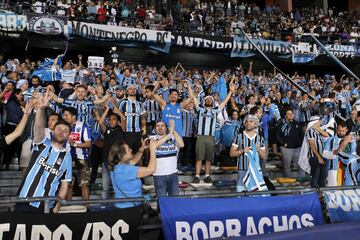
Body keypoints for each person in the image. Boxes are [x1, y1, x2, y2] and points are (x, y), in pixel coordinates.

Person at [17, 91, 72, 213]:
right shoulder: (42, 144)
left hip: (47, 207)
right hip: (25, 201)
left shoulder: (67, 157)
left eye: (65, 130)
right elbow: (39, 128)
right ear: (53, 131)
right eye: (59, 129)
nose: (62, 131)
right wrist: (41, 109)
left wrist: (57, 207)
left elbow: (64, 185)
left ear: (69, 135)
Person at [192, 80, 236, 183]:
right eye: (206, 100)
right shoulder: (200, 109)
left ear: (212, 102)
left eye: (210, 100)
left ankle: (207, 175)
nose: (208, 101)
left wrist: (230, 92)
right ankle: (197, 176)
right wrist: (189, 87)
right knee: (199, 158)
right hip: (201, 136)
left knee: (208, 158)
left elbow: (224, 101)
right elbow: (193, 98)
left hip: (211, 137)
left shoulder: (216, 110)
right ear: (204, 102)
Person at [108, 138, 156, 208]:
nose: (131, 150)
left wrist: (141, 149)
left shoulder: (117, 167)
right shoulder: (125, 170)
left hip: (122, 206)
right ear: (122, 155)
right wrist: (152, 150)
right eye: (128, 149)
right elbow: (151, 169)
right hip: (131, 208)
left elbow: (133, 161)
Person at [230, 114, 267, 192]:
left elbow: (263, 156)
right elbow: (231, 153)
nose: (248, 123)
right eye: (246, 122)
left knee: (255, 198)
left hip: (255, 172)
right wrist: (242, 151)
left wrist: (259, 150)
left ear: (255, 124)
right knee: (240, 197)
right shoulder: (238, 137)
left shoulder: (260, 139)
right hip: (242, 171)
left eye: (251, 121)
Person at [63, 107, 91, 202]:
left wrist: (74, 144)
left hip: (81, 159)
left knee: (84, 184)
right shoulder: (62, 127)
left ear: (73, 116)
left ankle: (86, 208)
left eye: (67, 115)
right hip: (67, 160)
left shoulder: (82, 126)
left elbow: (88, 143)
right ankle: (67, 208)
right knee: (68, 185)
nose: (64, 117)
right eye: (64, 115)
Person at [152, 120, 184, 197]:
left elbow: (181, 144)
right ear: (155, 128)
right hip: (159, 175)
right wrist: (169, 134)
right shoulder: (152, 138)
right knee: (161, 200)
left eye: (162, 125)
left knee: (175, 200)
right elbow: (154, 145)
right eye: (158, 126)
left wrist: (173, 131)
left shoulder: (173, 137)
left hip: (173, 174)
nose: (160, 128)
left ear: (166, 127)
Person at [276, 108, 305, 178]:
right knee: (287, 166)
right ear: (285, 115)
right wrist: (283, 143)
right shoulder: (281, 123)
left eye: (291, 113)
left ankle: (301, 179)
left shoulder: (297, 123)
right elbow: (277, 135)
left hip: (297, 148)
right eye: (288, 114)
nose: (290, 115)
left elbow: (302, 135)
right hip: (286, 148)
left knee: (301, 165)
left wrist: (300, 144)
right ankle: (288, 182)